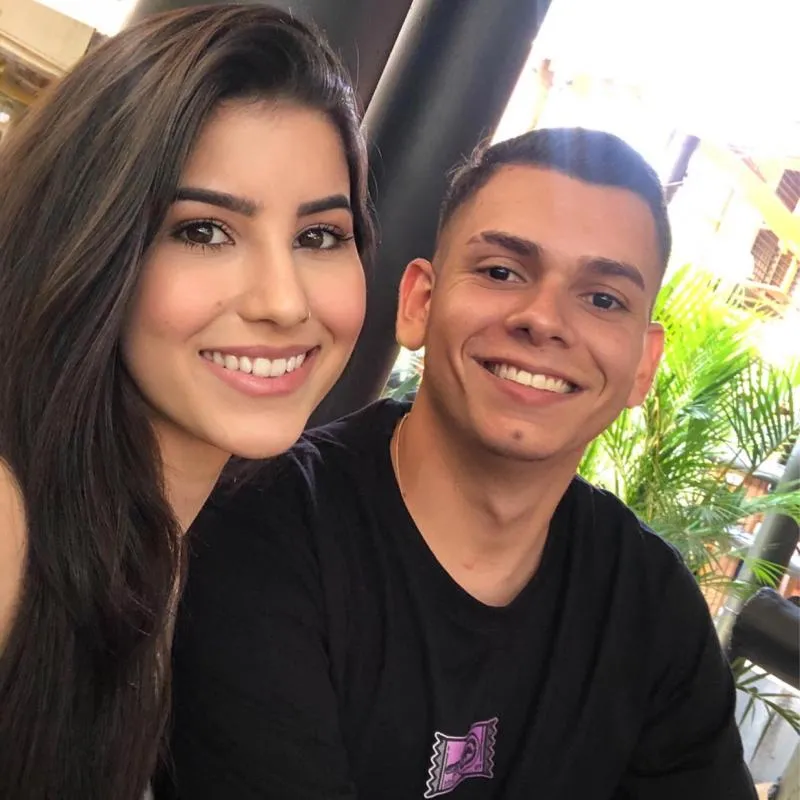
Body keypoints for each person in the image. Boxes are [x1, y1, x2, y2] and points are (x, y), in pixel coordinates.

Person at [161, 128, 757, 799]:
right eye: (501, 272)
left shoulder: (650, 605)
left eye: (602, 299)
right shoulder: (257, 535)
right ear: (419, 302)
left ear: (643, 366)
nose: (544, 319)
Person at [0, 5, 373, 799]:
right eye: (204, 231)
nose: (282, 302)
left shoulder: (175, 549)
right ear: (89, 241)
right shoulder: (10, 527)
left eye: (319, 237)